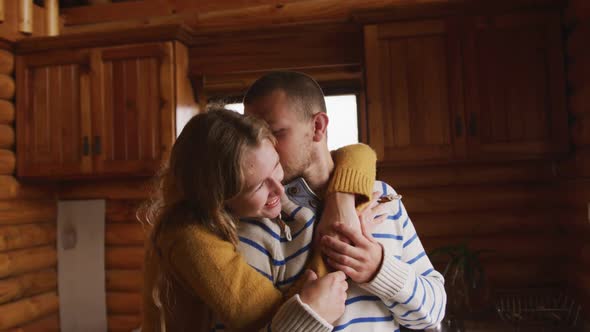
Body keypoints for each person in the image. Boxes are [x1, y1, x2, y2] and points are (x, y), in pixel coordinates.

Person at [240, 71, 447, 331]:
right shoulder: (256, 219)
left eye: (275, 132)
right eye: (254, 136)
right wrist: (307, 315)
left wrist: (380, 270)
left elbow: (434, 312)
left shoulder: (383, 198)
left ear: (318, 127)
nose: (263, 147)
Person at [141, 108, 378, 331]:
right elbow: (271, 318)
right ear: (219, 196)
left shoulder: (253, 173)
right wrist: (340, 235)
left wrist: (342, 202)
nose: (279, 189)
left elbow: (358, 152)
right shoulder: (187, 237)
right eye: (257, 187)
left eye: (276, 166)